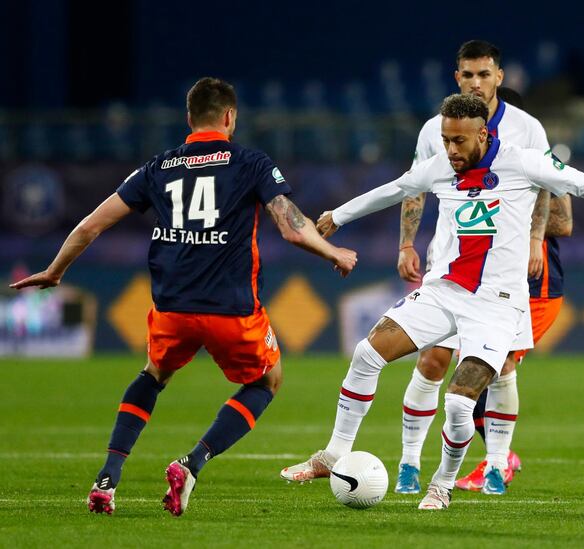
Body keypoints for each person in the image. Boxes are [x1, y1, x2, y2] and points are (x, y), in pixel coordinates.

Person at [280, 93, 584, 510]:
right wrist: (340, 215)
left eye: (459, 141)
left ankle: (441, 484)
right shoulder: (442, 164)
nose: (451, 150)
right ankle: (333, 454)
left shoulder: (522, 161)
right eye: (445, 140)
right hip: (444, 291)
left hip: (498, 304)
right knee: (368, 353)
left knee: (458, 404)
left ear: (483, 133)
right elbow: (398, 188)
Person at [10, 77, 357, 516]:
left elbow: (89, 226)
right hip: (231, 309)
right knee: (267, 380)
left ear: (189, 119)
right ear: (230, 117)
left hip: (172, 307)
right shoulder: (250, 162)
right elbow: (290, 225)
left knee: (153, 374)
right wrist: (334, 252)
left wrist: (55, 270)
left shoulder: (158, 167)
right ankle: (192, 462)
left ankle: (106, 478)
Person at [394, 41, 573, 496]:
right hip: (451, 264)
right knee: (433, 358)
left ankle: (498, 461)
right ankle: (410, 465)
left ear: (500, 76)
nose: (477, 82)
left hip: (507, 272)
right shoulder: (434, 129)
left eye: (484, 74)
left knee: (497, 366)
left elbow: (547, 190)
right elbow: (414, 187)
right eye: (468, 75)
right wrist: (407, 243)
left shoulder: (526, 127)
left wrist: (535, 238)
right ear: (457, 77)